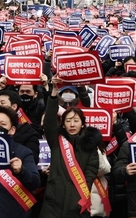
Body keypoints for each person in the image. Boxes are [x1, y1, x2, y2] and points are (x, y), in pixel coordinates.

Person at [39, 76, 101, 218]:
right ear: (63, 124)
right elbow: (49, 120)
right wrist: (54, 90)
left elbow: (91, 170)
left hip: (78, 201)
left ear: (83, 124)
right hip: (52, 202)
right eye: (68, 121)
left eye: (76, 121)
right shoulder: (56, 141)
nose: (72, 124)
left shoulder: (90, 145)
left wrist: (83, 189)